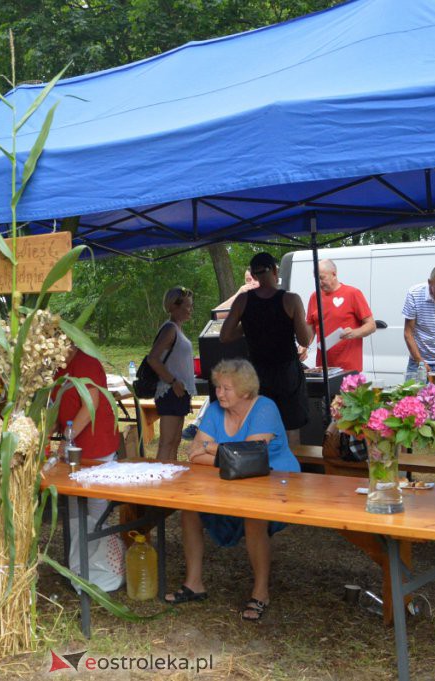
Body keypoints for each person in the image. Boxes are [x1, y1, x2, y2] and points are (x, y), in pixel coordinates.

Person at [164, 359, 298, 622]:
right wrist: (229, 454)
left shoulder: (264, 408)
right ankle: (194, 584)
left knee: (253, 516)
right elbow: (194, 455)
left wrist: (212, 448)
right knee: (190, 510)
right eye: (218, 387)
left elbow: (252, 459)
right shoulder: (215, 410)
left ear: (246, 391)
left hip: (275, 480)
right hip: (227, 478)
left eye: (227, 388)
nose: (219, 393)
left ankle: (261, 593)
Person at [221, 252, 312, 447]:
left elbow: (225, 336)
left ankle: (264, 471)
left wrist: (248, 326)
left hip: (257, 372)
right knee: (290, 427)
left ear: (253, 275)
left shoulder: (243, 301)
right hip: (286, 371)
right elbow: (304, 338)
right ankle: (291, 472)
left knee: (261, 426)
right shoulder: (291, 300)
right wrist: (310, 329)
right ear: (275, 270)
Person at [53, 346, 124, 592]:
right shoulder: (58, 365)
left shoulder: (86, 362)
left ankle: (101, 571)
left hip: (96, 445)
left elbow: (91, 402)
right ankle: (80, 568)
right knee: (75, 510)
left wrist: (68, 436)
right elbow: (56, 405)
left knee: (96, 510)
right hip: (74, 449)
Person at [146, 287, 196, 462]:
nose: (191, 310)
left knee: (175, 441)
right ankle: (159, 480)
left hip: (180, 392)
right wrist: (173, 381)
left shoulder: (178, 329)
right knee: (166, 443)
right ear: (174, 306)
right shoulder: (169, 329)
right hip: (170, 392)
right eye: (188, 306)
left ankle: (172, 477)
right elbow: (153, 358)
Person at [303, 259, 375, 372]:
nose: (319, 282)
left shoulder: (353, 293)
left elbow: (371, 325)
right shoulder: (314, 297)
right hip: (323, 368)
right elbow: (311, 328)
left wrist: (354, 333)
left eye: (322, 278)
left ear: (334, 274)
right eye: (316, 279)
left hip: (349, 368)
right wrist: (304, 345)